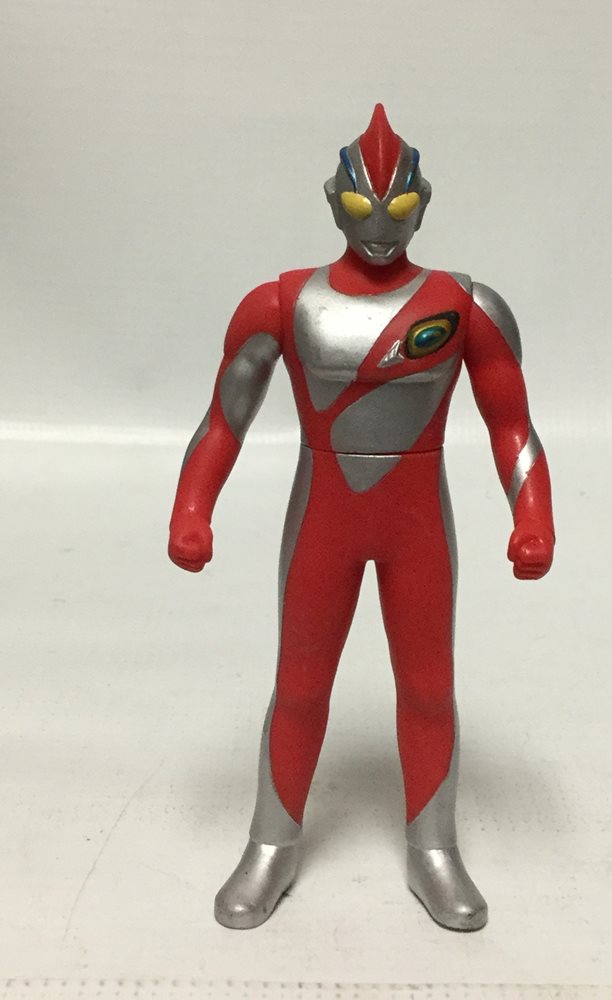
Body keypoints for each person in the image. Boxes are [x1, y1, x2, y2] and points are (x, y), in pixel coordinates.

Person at [168, 104, 555, 932]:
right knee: (301, 686)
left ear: (423, 203)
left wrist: (533, 514)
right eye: (360, 208)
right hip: (324, 521)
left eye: (399, 209)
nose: (380, 228)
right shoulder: (282, 302)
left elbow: (512, 425)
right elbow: (223, 420)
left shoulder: (466, 304)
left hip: (417, 525)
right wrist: (192, 506)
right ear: (332, 202)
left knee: (429, 687)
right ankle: (271, 842)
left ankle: (434, 847)